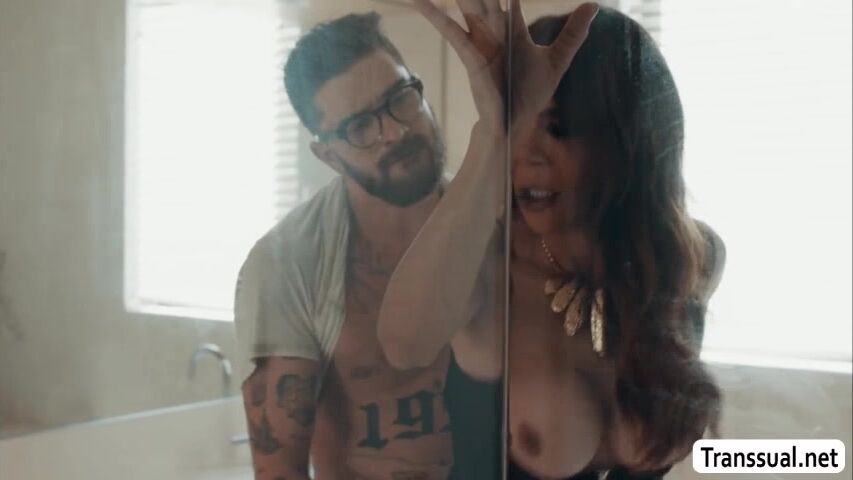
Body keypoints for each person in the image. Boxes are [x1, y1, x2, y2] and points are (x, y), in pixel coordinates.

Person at [379, 1, 726, 479]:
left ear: (628, 141)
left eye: (559, 128)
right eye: (521, 127)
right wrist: (493, 130)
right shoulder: (488, 264)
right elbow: (404, 345)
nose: (528, 154)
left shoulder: (690, 257)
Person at [233, 12, 503, 479]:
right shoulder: (288, 263)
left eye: (401, 99)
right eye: (360, 127)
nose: (395, 132)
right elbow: (280, 470)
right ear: (327, 155)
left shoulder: (496, 224)